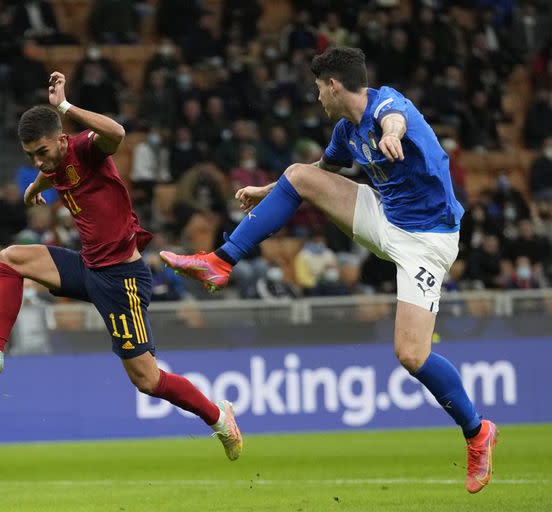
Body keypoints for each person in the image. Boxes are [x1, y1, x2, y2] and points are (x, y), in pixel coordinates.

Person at [160, 47, 496, 490]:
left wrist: (393, 134)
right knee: (299, 174)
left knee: (412, 354)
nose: (317, 96)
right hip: (384, 215)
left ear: (334, 84)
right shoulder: (345, 129)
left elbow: (395, 121)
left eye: (319, 87)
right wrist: (269, 188)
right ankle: (219, 262)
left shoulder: (388, 106)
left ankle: (478, 433)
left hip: (427, 240)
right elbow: (322, 169)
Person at [0, 71, 243, 461]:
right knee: (10, 259)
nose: (39, 160)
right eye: (31, 155)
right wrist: (37, 185)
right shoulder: (51, 164)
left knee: (147, 381)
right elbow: (52, 171)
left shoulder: (86, 148)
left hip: (122, 279)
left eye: (42, 151)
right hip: (89, 267)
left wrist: (65, 106)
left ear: (61, 137)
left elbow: (117, 133)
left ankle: (219, 419)